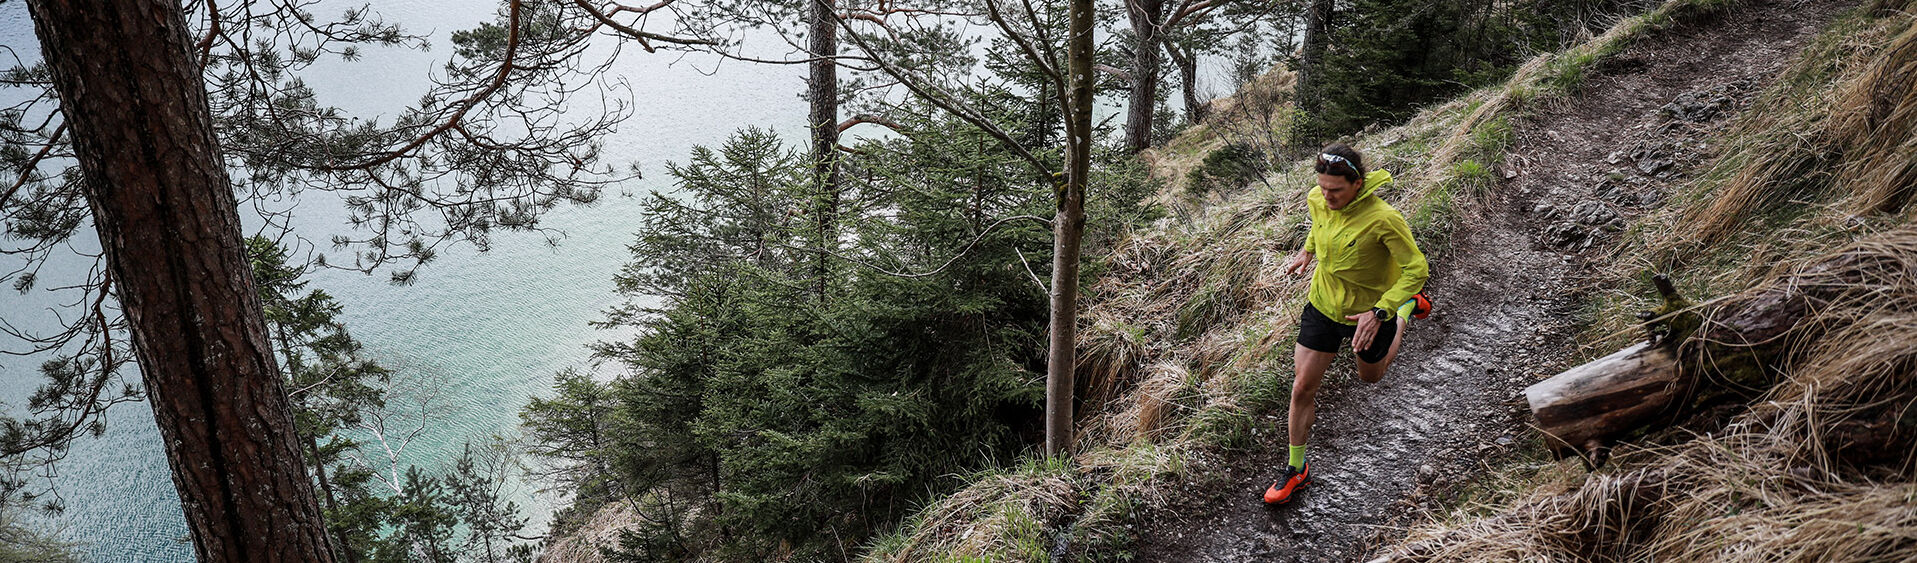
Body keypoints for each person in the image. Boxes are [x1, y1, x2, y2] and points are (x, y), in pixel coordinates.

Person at [1264, 143, 1431, 505]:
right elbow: (1319, 222)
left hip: (1371, 312)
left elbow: (1416, 268)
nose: (1327, 196)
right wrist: (1308, 249)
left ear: (1358, 184)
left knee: (1371, 377)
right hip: (1323, 304)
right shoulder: (1318, 198)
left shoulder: (1384, 219)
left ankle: (1405, 309)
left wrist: (1383, 310)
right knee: (1302, 387)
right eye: (1323, 187)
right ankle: (1297, 469)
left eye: (1336, 190)